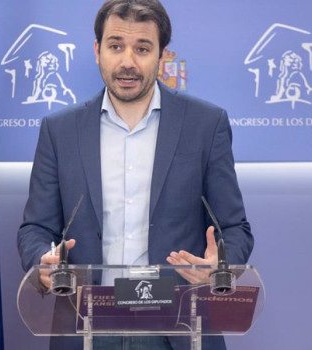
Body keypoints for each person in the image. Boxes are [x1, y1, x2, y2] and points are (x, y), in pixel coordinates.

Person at [17, 0, 254, 349]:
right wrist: (44, 260)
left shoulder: (206, 125)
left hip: (176, 327)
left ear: (162, 55)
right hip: (86, 327)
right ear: (97, 50)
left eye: (142, 48)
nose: (127, 62)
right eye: (116, 46)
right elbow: (35, 228)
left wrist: (220, 262)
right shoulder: (60, 131)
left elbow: (235, 229)